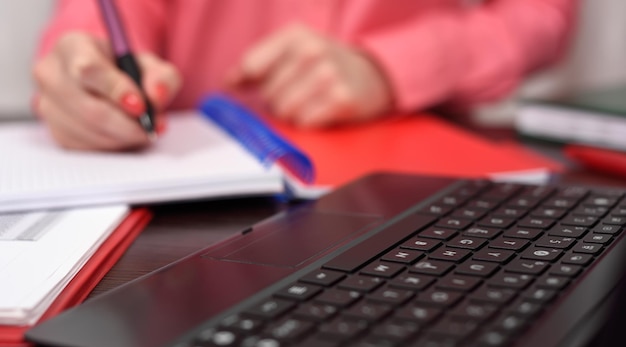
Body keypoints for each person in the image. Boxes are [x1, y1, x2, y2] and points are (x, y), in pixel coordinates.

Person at [33, 0, 577, 151]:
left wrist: (391, 67)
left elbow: (541, 14)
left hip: (412, 163)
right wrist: (86, 61)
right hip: (185, 178)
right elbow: (109, 10)